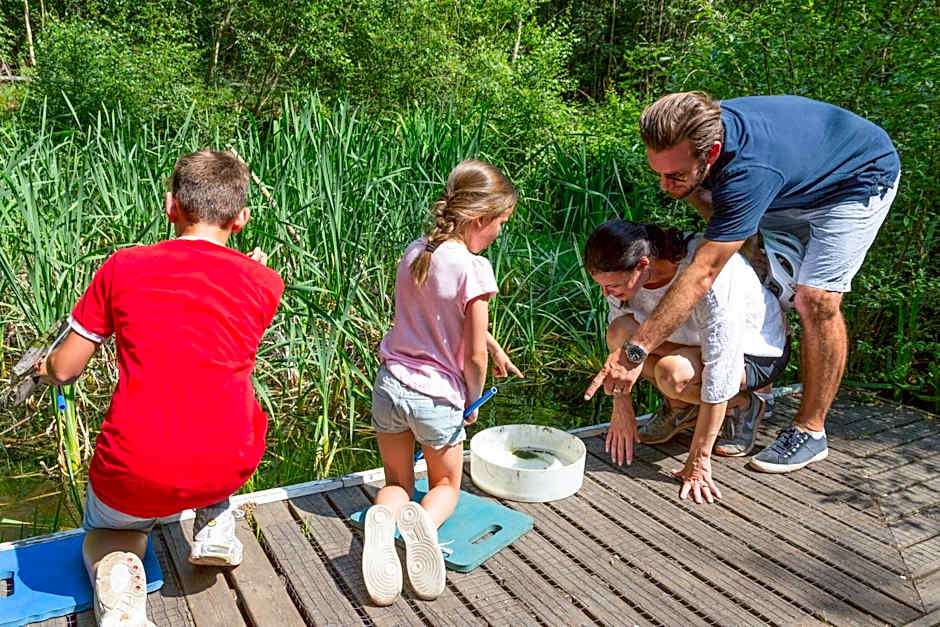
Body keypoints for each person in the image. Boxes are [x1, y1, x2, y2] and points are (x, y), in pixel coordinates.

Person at [585, 93, 900, 474]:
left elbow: (702, 274)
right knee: (732, 242)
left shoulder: (749, 173)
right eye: (659, 174)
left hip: (854, 181)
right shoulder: (698, 129)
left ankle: (810, 430)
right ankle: (711, 398)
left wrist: (635, 353)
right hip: (789, 182)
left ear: (712, 153)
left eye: (674, 175)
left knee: (815, 298)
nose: (665, 188)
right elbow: (707, 209)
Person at [37, 151, 284, 626]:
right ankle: (213, 524)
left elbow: (65, 369)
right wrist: (252, 269)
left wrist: (45, 369)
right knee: (217, 419)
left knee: (109, 532)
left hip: (135, 466)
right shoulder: (265, 282)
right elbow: (220, 321)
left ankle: (117, 576)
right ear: (242, 219)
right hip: (227, 461)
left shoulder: (122, 267)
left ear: (171, 206)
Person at [362, 159, 521, 605]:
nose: (499, 233)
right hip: (436, 397)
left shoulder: (417, 251)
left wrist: (491, 341)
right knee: (445, 486)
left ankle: (383, 521)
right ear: (479, 219)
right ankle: (422, 531)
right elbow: (469, 357)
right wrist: (470, 401)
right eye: (500, 224)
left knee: (396, 478)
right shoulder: (475, 267)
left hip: (390, 384)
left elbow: (429, 313)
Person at [586, 220, 788, 503]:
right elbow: (620, 352)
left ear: (643, 264)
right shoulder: (622, 277)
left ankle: (743, 404)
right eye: (603, 287)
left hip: (753, 351)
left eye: (614, 286)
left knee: (673, 374)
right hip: (691, 343)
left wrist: (698, 462)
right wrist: (622, 408)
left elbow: (721, 368)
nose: (607, 294)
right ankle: (682, 409)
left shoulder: (707, 274)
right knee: (620, 331)